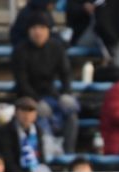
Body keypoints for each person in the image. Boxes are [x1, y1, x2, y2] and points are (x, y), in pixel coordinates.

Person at [11, 11, 79, 154]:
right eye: (34, 28)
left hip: (51, 95)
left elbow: (66, 73)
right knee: (40, 115)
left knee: (71, 114)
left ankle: (68, 152)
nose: (38, 32)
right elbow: (21, 81)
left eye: (42, 28)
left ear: (48, 30)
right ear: (29, 31)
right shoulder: (21, 50)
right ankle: (48, 152)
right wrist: (35, 101)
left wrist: (66, 94)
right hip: (27, 98)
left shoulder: (56, 47)